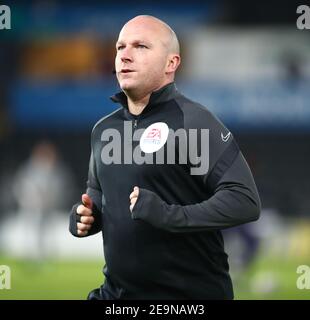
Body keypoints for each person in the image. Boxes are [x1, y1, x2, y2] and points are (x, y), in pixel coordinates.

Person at [69, 15, 261, 300]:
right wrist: (87, 217)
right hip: (116, 296)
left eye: (141, 47)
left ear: (171, 63)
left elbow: (244, 200)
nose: (125, 55)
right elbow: (96, 196)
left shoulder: (193, 122)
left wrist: (170, 215)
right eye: (120, 47)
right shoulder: (104, 130)